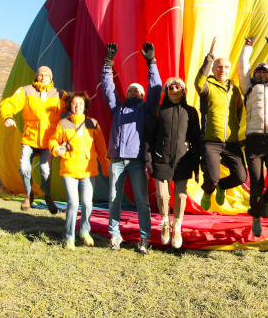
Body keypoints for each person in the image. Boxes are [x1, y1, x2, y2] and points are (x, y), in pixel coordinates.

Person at [101, 42, 162, 254]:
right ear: (126, 94)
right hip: (117, 159)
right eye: (130, 90)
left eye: (137, 90)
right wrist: (108, 64)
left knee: (142, 201)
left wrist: (151, 63)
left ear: (142, 95)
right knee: (114, 199)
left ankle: (145, 238)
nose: (133, 91)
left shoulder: (146, 109)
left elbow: (156, 89)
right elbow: (108, 89)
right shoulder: (118, 108)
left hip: (137, 160)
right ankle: (115, 236)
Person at [49, 91, 110, 250]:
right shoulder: (63, 124)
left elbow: (101, 148)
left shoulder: (93, 124)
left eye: (81, 104)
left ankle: (84, 231)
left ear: (85, 106)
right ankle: (69, 237)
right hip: (69, 169)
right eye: (75, 104)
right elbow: (54, 140)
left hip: (88, 171)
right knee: (73, 203)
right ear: (70, 105)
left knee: (87, 203)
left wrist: (106, 168)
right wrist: (56, 149)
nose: (78, 106)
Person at [0, 65, 64, 213]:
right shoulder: (26, 91)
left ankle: (47, 196)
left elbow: (75, 104)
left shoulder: (59, 94)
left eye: (46, 75)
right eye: (41, 75)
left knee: (45, 169)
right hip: (30, 138)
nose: (43, 78)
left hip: (48, 140)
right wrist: (7, 116)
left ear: (51, 78)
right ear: (36, 76)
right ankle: (29, 195)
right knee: (23, 168)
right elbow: (9, 103)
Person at [146, 77, 201, 249]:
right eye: (171, 87)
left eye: (178, 87)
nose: (174, 89)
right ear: (166, 91)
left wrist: (196, 164)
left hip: (183, 159)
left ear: (183, 91)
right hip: (161, 158)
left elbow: (196, 139)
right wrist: (148, 158)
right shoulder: (159, 110)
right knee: (162, 195)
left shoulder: (191, 112)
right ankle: (165, 224)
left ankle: (177, 226)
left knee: (180, 195)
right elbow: (149, 136)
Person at [238, 36, 268, 237]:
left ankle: (267, 200)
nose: (261, 74)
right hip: (254, 140)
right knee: (256, 182)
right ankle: (256, 216)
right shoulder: (248, 88)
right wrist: (248, 46)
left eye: (265, 71)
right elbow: (242, 67)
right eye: (258, 71)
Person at [194, 37, 246, 211]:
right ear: (214, 69)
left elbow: (238, 111)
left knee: (241, 177)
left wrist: (234, 129)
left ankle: (222, 187)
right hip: (211, 141)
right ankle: (208, 190)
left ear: (230, 70)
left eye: (225, 67)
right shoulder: (207, 85)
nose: (222, 70)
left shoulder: (234, 89)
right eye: (219, 67)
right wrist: (210, 57)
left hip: (231, 142)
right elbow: (198, 82)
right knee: (212, 177)